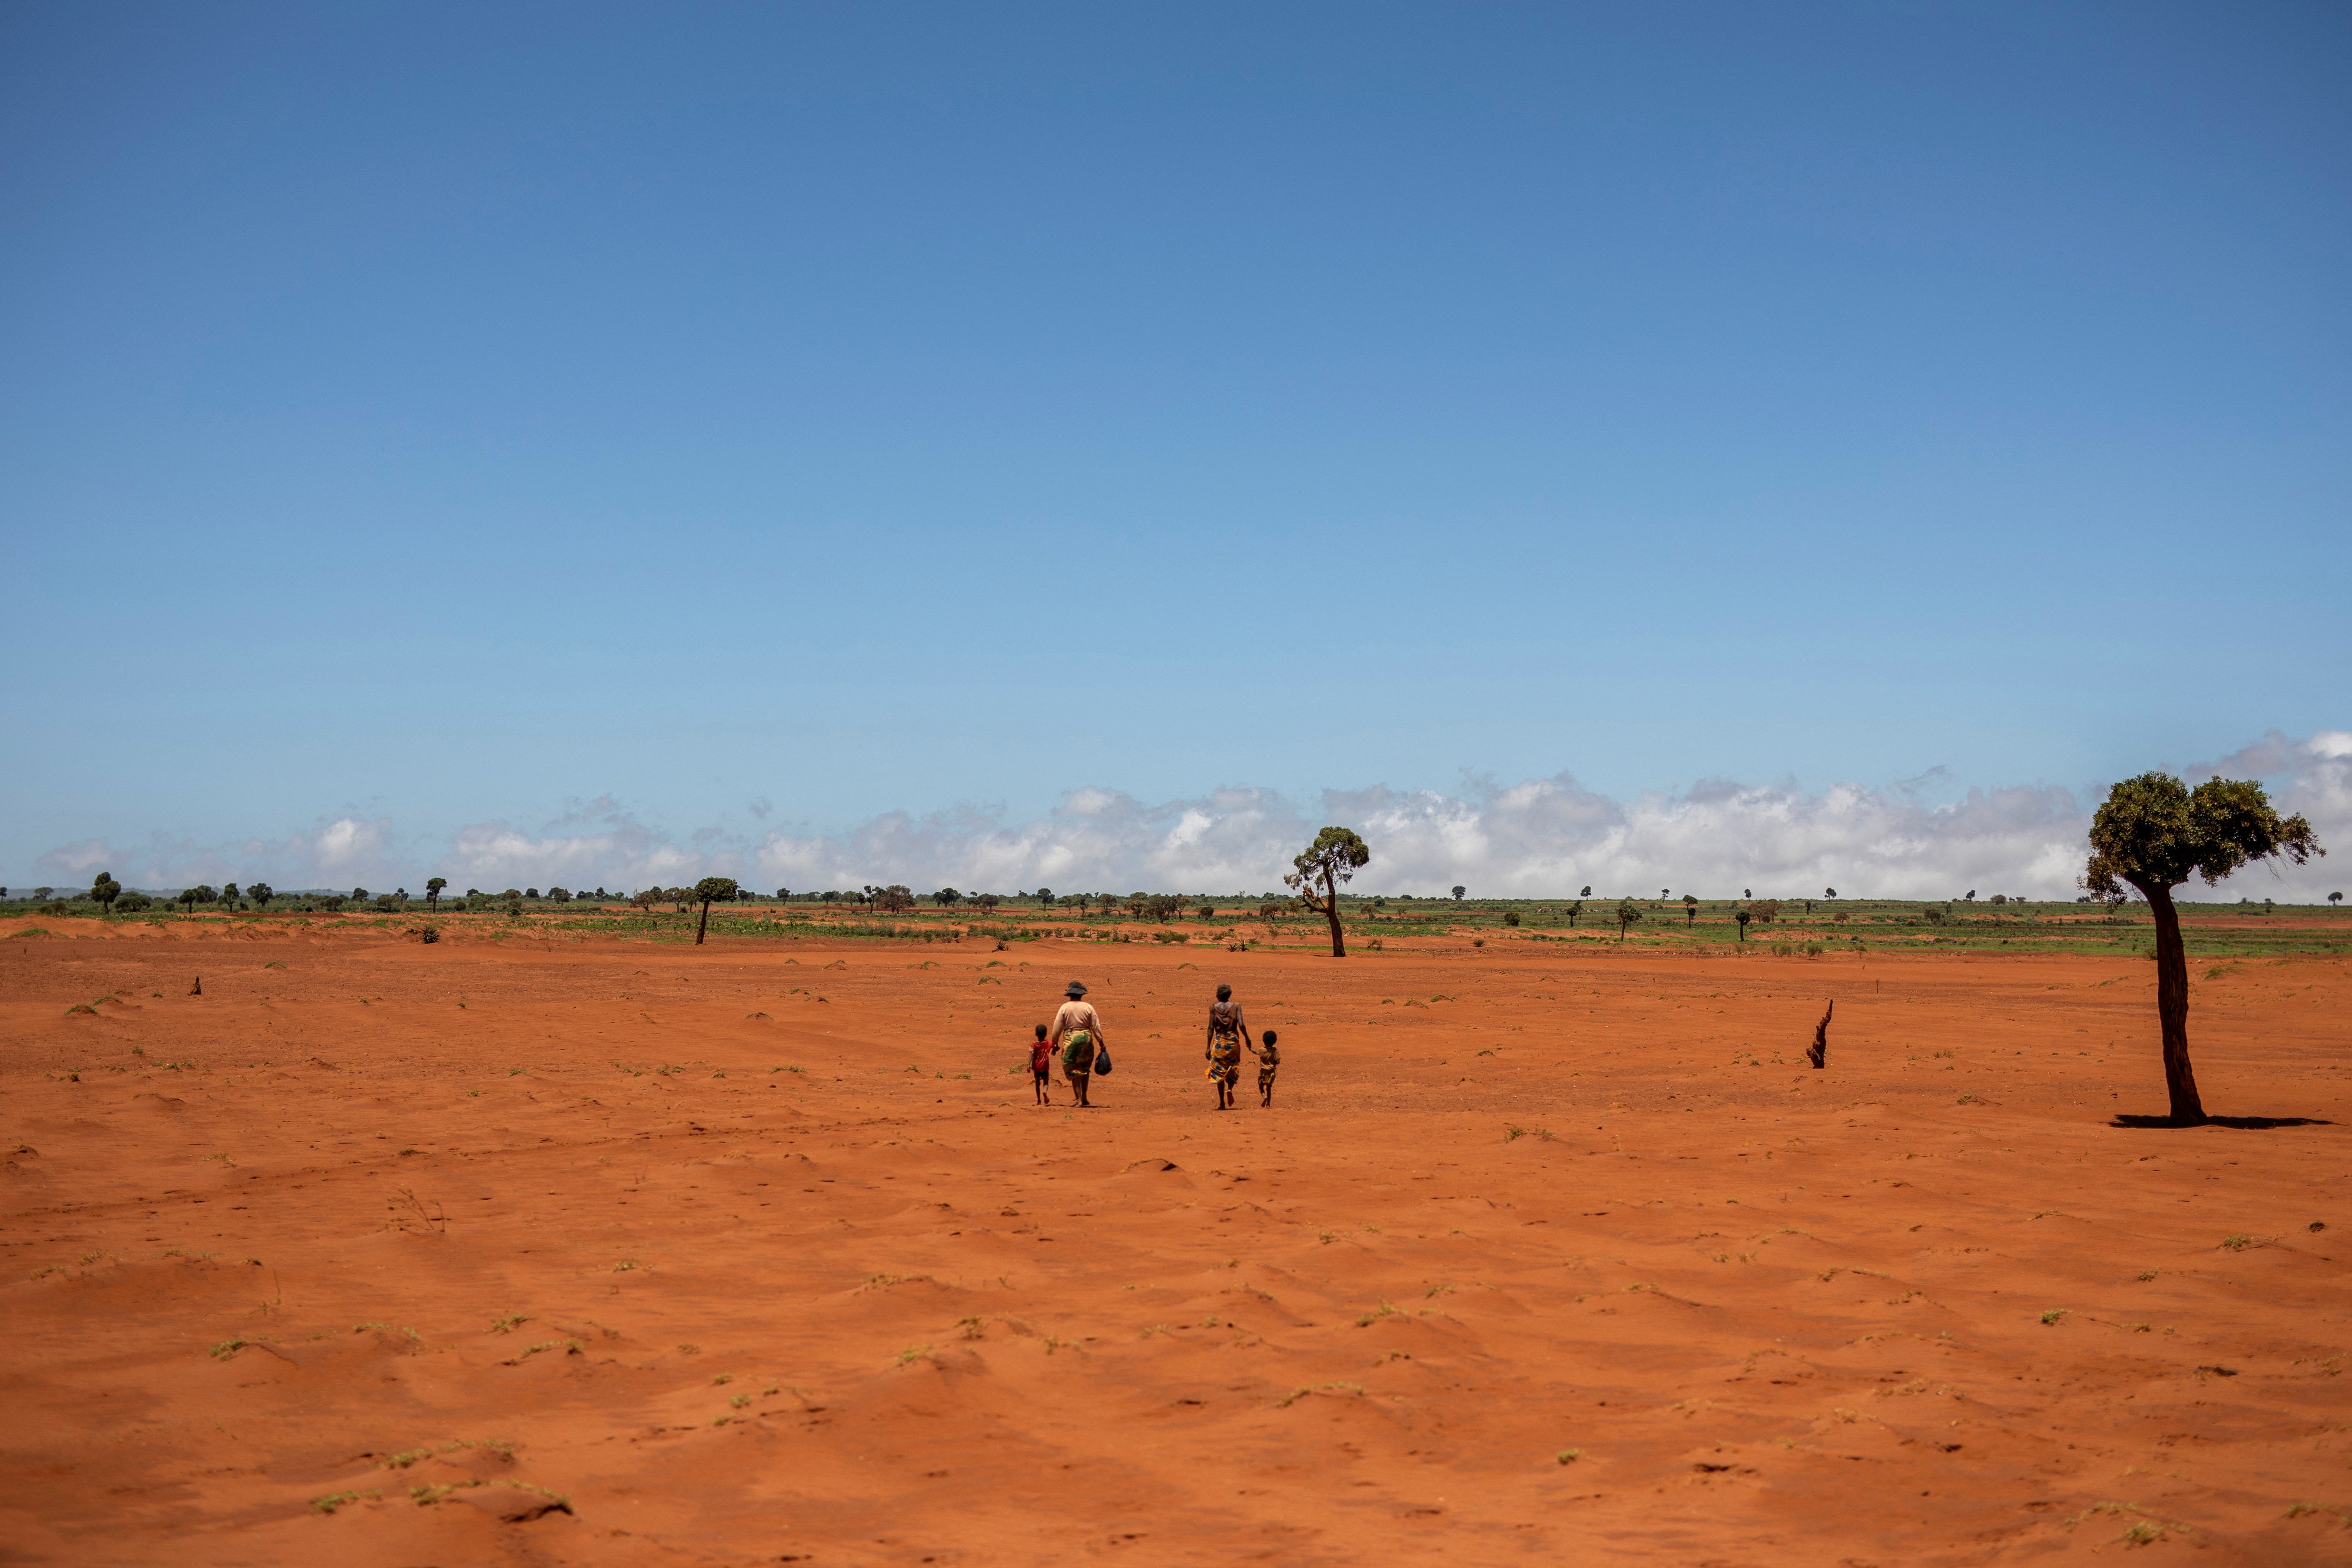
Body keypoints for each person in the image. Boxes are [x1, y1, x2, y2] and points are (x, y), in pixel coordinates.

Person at [1049, 981, 1104, 1108]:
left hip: (1071, 1039)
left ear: (1070, 994)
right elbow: (1096, 1027)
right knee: (1085, 1068)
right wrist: (1101, 1042)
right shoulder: (1088, 1007)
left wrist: (1055, 1043)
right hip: (1086, 1038)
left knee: (1073, 1068)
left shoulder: (1065, 1008)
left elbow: (1057, 1027)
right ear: (1081, 995)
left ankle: (1079, 1099)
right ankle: (1084, 1098)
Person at [1204, 983, 1247, 1111]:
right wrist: (1247, 1038)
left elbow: (1211, 1028)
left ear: (1217, 996)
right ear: (1230, 995)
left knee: (1219, 1072)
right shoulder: (1237, 1006)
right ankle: (1230, 1088)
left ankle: (1222, 1103)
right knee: (1233, 1067)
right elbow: (1241, 1024)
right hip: (1233, 1041)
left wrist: (1208, 1047)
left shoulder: (1213, 1008)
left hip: (1219, 1042)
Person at [1252, 1028, 1280, 1107]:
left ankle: (1264, 1096)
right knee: (1269, 1089)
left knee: (1261, 1087)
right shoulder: (1275, 1051)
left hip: (1263, 1072)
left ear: (1263, 1041)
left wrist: (1250, 1047)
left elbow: (1255, 1052)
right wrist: (1275, 1062)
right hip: (1271, 1072)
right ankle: (1268, 1104)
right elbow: (1278, 1061)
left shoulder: (1261, 1050)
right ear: (1275, 1041)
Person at [1027, 1022, 1054, 1106]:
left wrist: (1029, 1064)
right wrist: (1054, 1050)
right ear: (1046, 1034)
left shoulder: (1034, 1044)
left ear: (1036, 1034)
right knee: (1046, 1081)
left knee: (1037, 1083)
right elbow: (1056, 1046)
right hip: (1045, 1066)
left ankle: (1039, 1100)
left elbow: (1031, 1054)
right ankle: (1045, 1091)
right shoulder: (1048, 1043)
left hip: (1036, 1067)